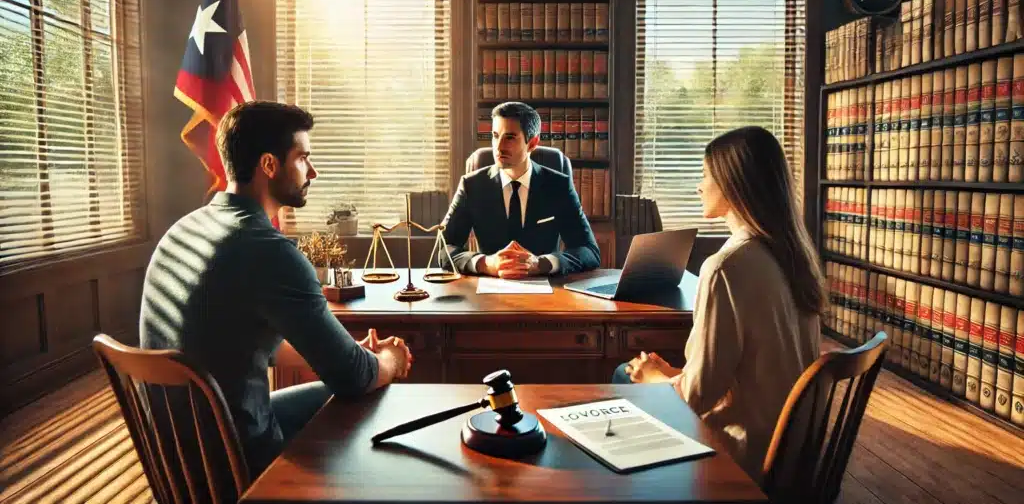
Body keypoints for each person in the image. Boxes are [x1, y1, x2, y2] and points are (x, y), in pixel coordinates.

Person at [139, 101, 412, 477]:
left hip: (180, 454)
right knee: (375, 394)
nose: (312, 171)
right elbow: (353, 378)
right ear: (269, 164)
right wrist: (390, 360)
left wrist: (347, 353)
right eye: (302, 158)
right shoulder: (269, 251)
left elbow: (239, 342)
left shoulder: (183, 231)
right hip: (236, 460)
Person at [612, 126, 822, 484]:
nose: (699, 186)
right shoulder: (793, 255)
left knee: (623, 374)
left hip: (744, 453)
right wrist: (673, 375)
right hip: (792, 450)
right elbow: (747, 371)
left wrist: (653, 377)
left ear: (732, 184)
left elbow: (696, 399)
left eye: (705, 175)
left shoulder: (726, 267)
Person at [442, 101, 600, 278]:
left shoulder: (558, 186)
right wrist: (486, 263)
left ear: (532, 143)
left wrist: (542, 264)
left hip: (547, 291)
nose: (499, 147)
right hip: (489, 291)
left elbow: (589, 251)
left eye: (510, 137)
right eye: (495, 135)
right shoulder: (472, 186)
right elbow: (444, 248)